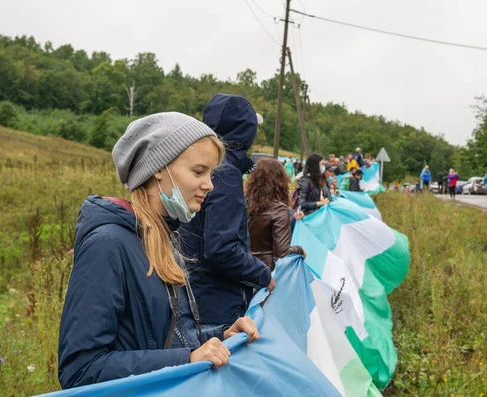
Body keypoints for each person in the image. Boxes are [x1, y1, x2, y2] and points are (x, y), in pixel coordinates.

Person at [58, 112, 260, 389]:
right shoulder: (108, 244)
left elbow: (167, 335)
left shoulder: (165, 236)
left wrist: (221, 336)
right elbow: (80, 370)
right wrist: (186, 359)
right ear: (159, 168)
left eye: (211, 174)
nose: (209, 185)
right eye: (198, 171)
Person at [178, 94, 274, 329]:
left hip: (193, 295)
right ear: (246, 131)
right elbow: (221, 248)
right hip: (217, 306)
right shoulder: (226, 174)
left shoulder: (201, 168)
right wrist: (264, 276)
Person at [246, 159, 305, 271]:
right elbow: (282, 252)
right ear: (281, 181)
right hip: (267, 272)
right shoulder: (279, 209)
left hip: (243, 266)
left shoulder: (244, 204)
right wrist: (299, 250)